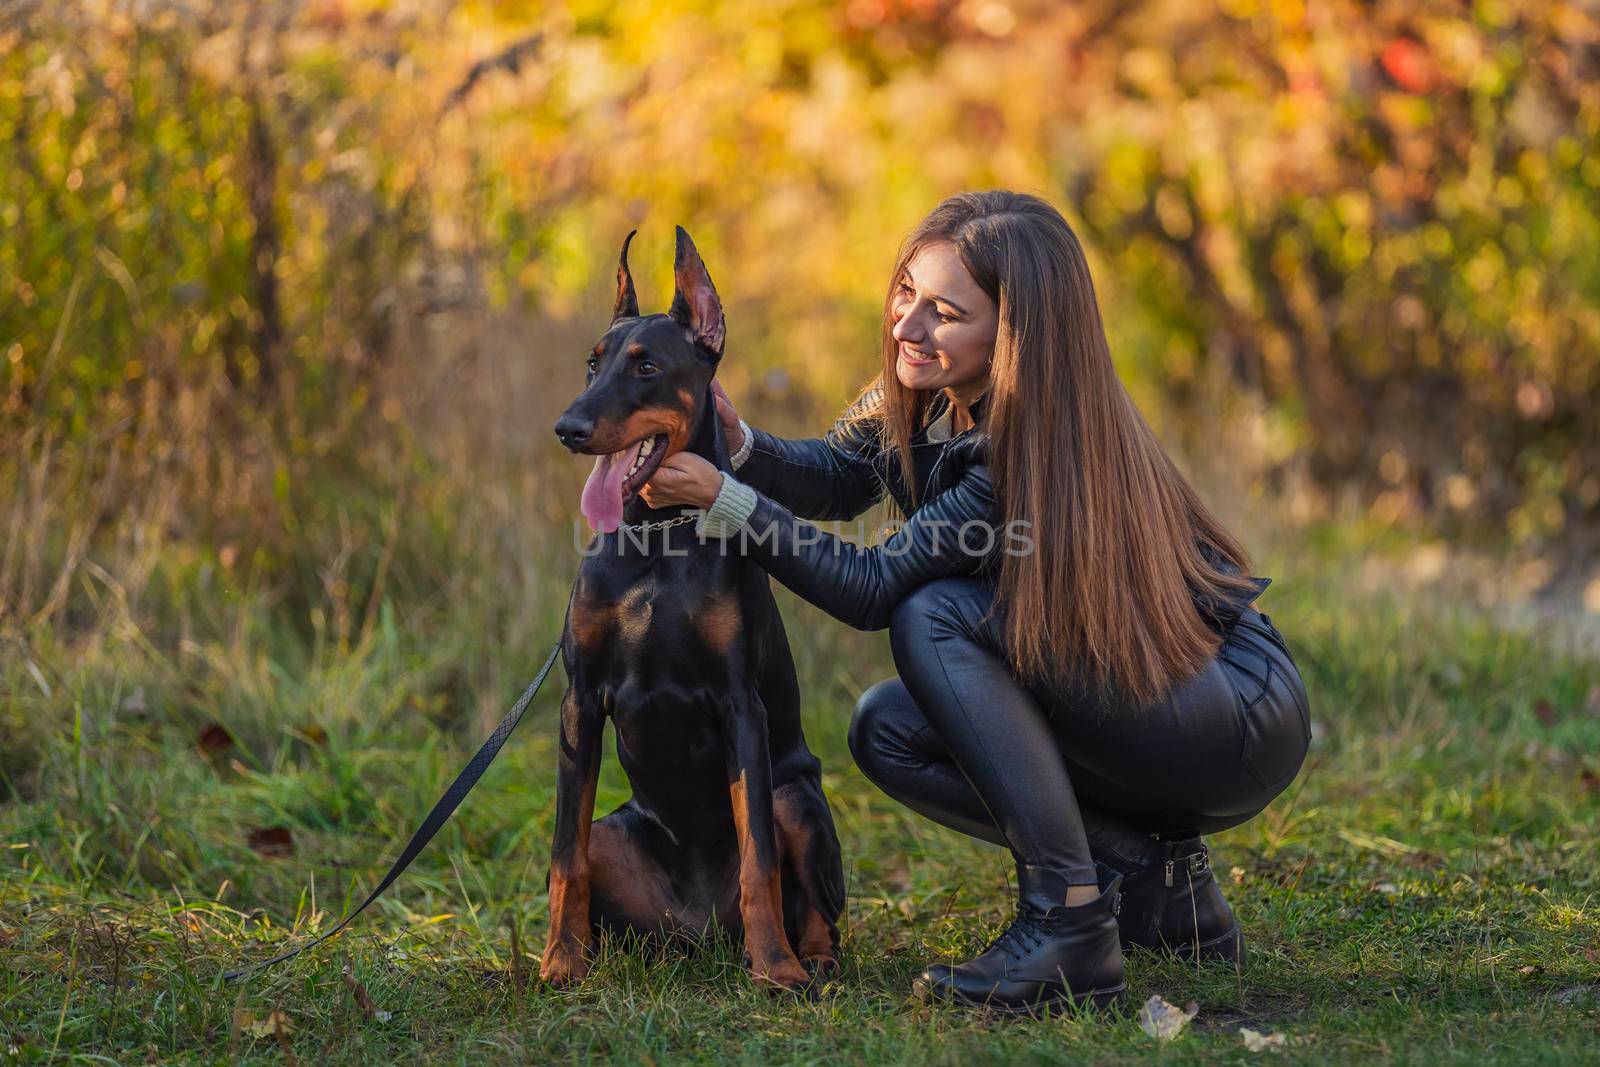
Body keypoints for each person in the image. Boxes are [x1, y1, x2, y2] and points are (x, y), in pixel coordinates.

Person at [640, 190, 1311, 1014]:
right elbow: (836, 474)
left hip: (1231, 711)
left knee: (934, 614)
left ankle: (1069, 921)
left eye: (945, 311)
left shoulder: (1027, 439)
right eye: (906, 292)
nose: (907, 328)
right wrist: (737, 446)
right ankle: (1162, 887)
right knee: (889, 728)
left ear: (1016, 330)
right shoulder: (930, 391)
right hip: (1155, 701)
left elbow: (872, 589)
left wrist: (723, 499)